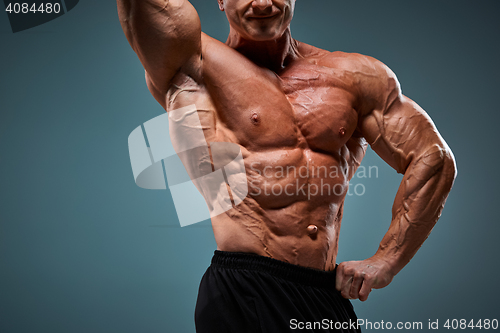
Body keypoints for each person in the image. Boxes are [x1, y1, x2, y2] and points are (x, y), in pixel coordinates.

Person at [117, 0, 457, 332]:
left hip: (324, 294)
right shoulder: (190, 61)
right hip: (244, 289)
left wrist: (387, 259)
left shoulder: (356, 78)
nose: (262, 3)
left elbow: (433, 158)